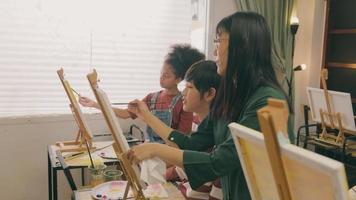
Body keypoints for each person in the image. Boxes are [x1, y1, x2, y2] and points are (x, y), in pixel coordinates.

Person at [126, 11, 294, 200]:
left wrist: (155, 149)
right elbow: (193, 144)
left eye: (219, 41)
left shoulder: (266, 101)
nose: (215, 51)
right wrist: (146, 116)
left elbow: (219, 162)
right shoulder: (232, 95)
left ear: (242, 45)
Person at [79, 44, 205, 142]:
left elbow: (183, 139)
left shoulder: (184, 103)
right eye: (161, 73)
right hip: (150, 151)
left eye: (166, 75)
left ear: (178, 79)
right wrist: (95, 104)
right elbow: (124, 114)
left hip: (170, 155)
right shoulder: (151, 98)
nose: (161, 78)